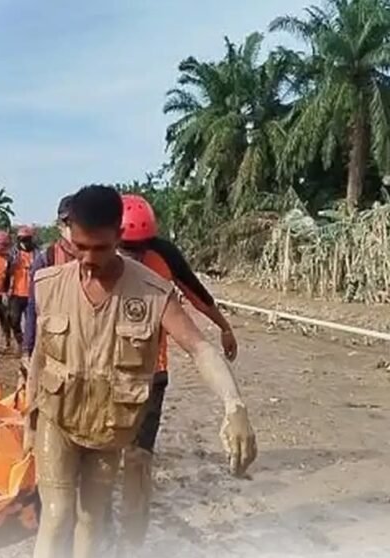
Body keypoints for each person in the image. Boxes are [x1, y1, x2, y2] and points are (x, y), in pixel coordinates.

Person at [24, 185, 257, 558]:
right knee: (56, 514)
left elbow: (199, 348)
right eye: (78, 247)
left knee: (92, 518)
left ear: (119, 236)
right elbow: (40, 353)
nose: (86, 259)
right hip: (56, 418)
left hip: (109, 427)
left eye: (99, 248)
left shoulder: (151, 292)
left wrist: (234, 405)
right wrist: (29, 414)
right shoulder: (48, 284)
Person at [116, 193, 240, 547]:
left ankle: (131, 539)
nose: (134, 255)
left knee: (139, 459)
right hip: (104, 374)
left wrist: (224, 326)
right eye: (127, 247)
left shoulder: (164, 257)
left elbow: (196, 294)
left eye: (141, 248)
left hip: (151, 372)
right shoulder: (99, 258)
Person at [21, 195, 76, 369]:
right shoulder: (47, 259)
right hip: (54, 342)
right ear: (60, 226)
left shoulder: (95, 256)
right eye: (67, 223)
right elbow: (33, 307)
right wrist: (27, 349)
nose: (72, 228)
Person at [8, 225, 37, 354]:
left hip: (31, 293)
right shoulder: (13, 253)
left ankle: (27, 347)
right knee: (14, 320)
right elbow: (6, 272)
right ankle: (19, 340)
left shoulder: (37, 253)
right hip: (16, 292)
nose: (24, 242)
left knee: (31, 323)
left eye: (27, 239)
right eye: (22, 239)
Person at [0, 231, 14, 351]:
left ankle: (7, 342)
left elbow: (11, 276)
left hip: (3, 294)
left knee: (5, 320)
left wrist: (9, 290)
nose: (0, 247)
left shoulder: (9, 260)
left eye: (3, 244)